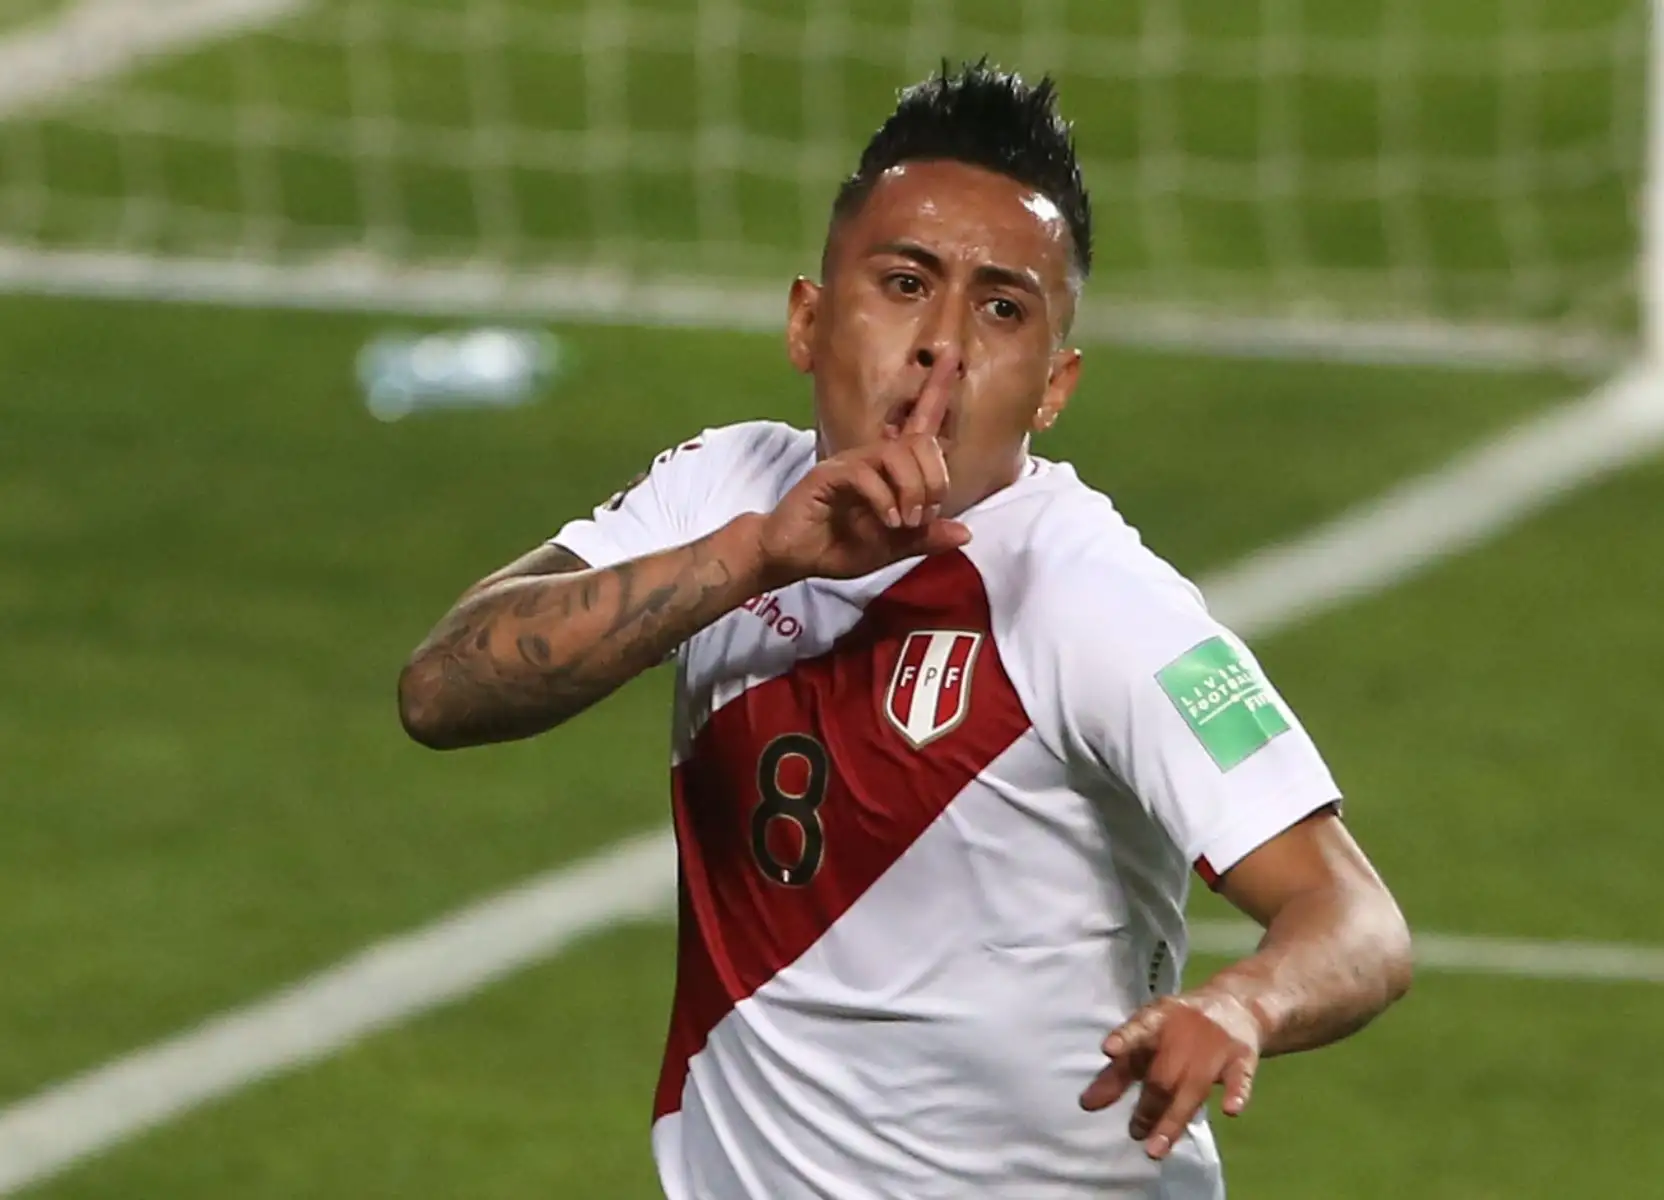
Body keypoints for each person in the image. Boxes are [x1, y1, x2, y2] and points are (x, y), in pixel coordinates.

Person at [398, 62, 1412, 1200]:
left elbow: (1355, 917)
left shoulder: (1094, 603)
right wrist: (758, 556)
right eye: (903, 283)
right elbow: (442, 690)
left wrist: (1241, 1003)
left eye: (1001, 308)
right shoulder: (724, 489)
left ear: (1054, 386)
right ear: (808, 320)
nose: (943, 346)